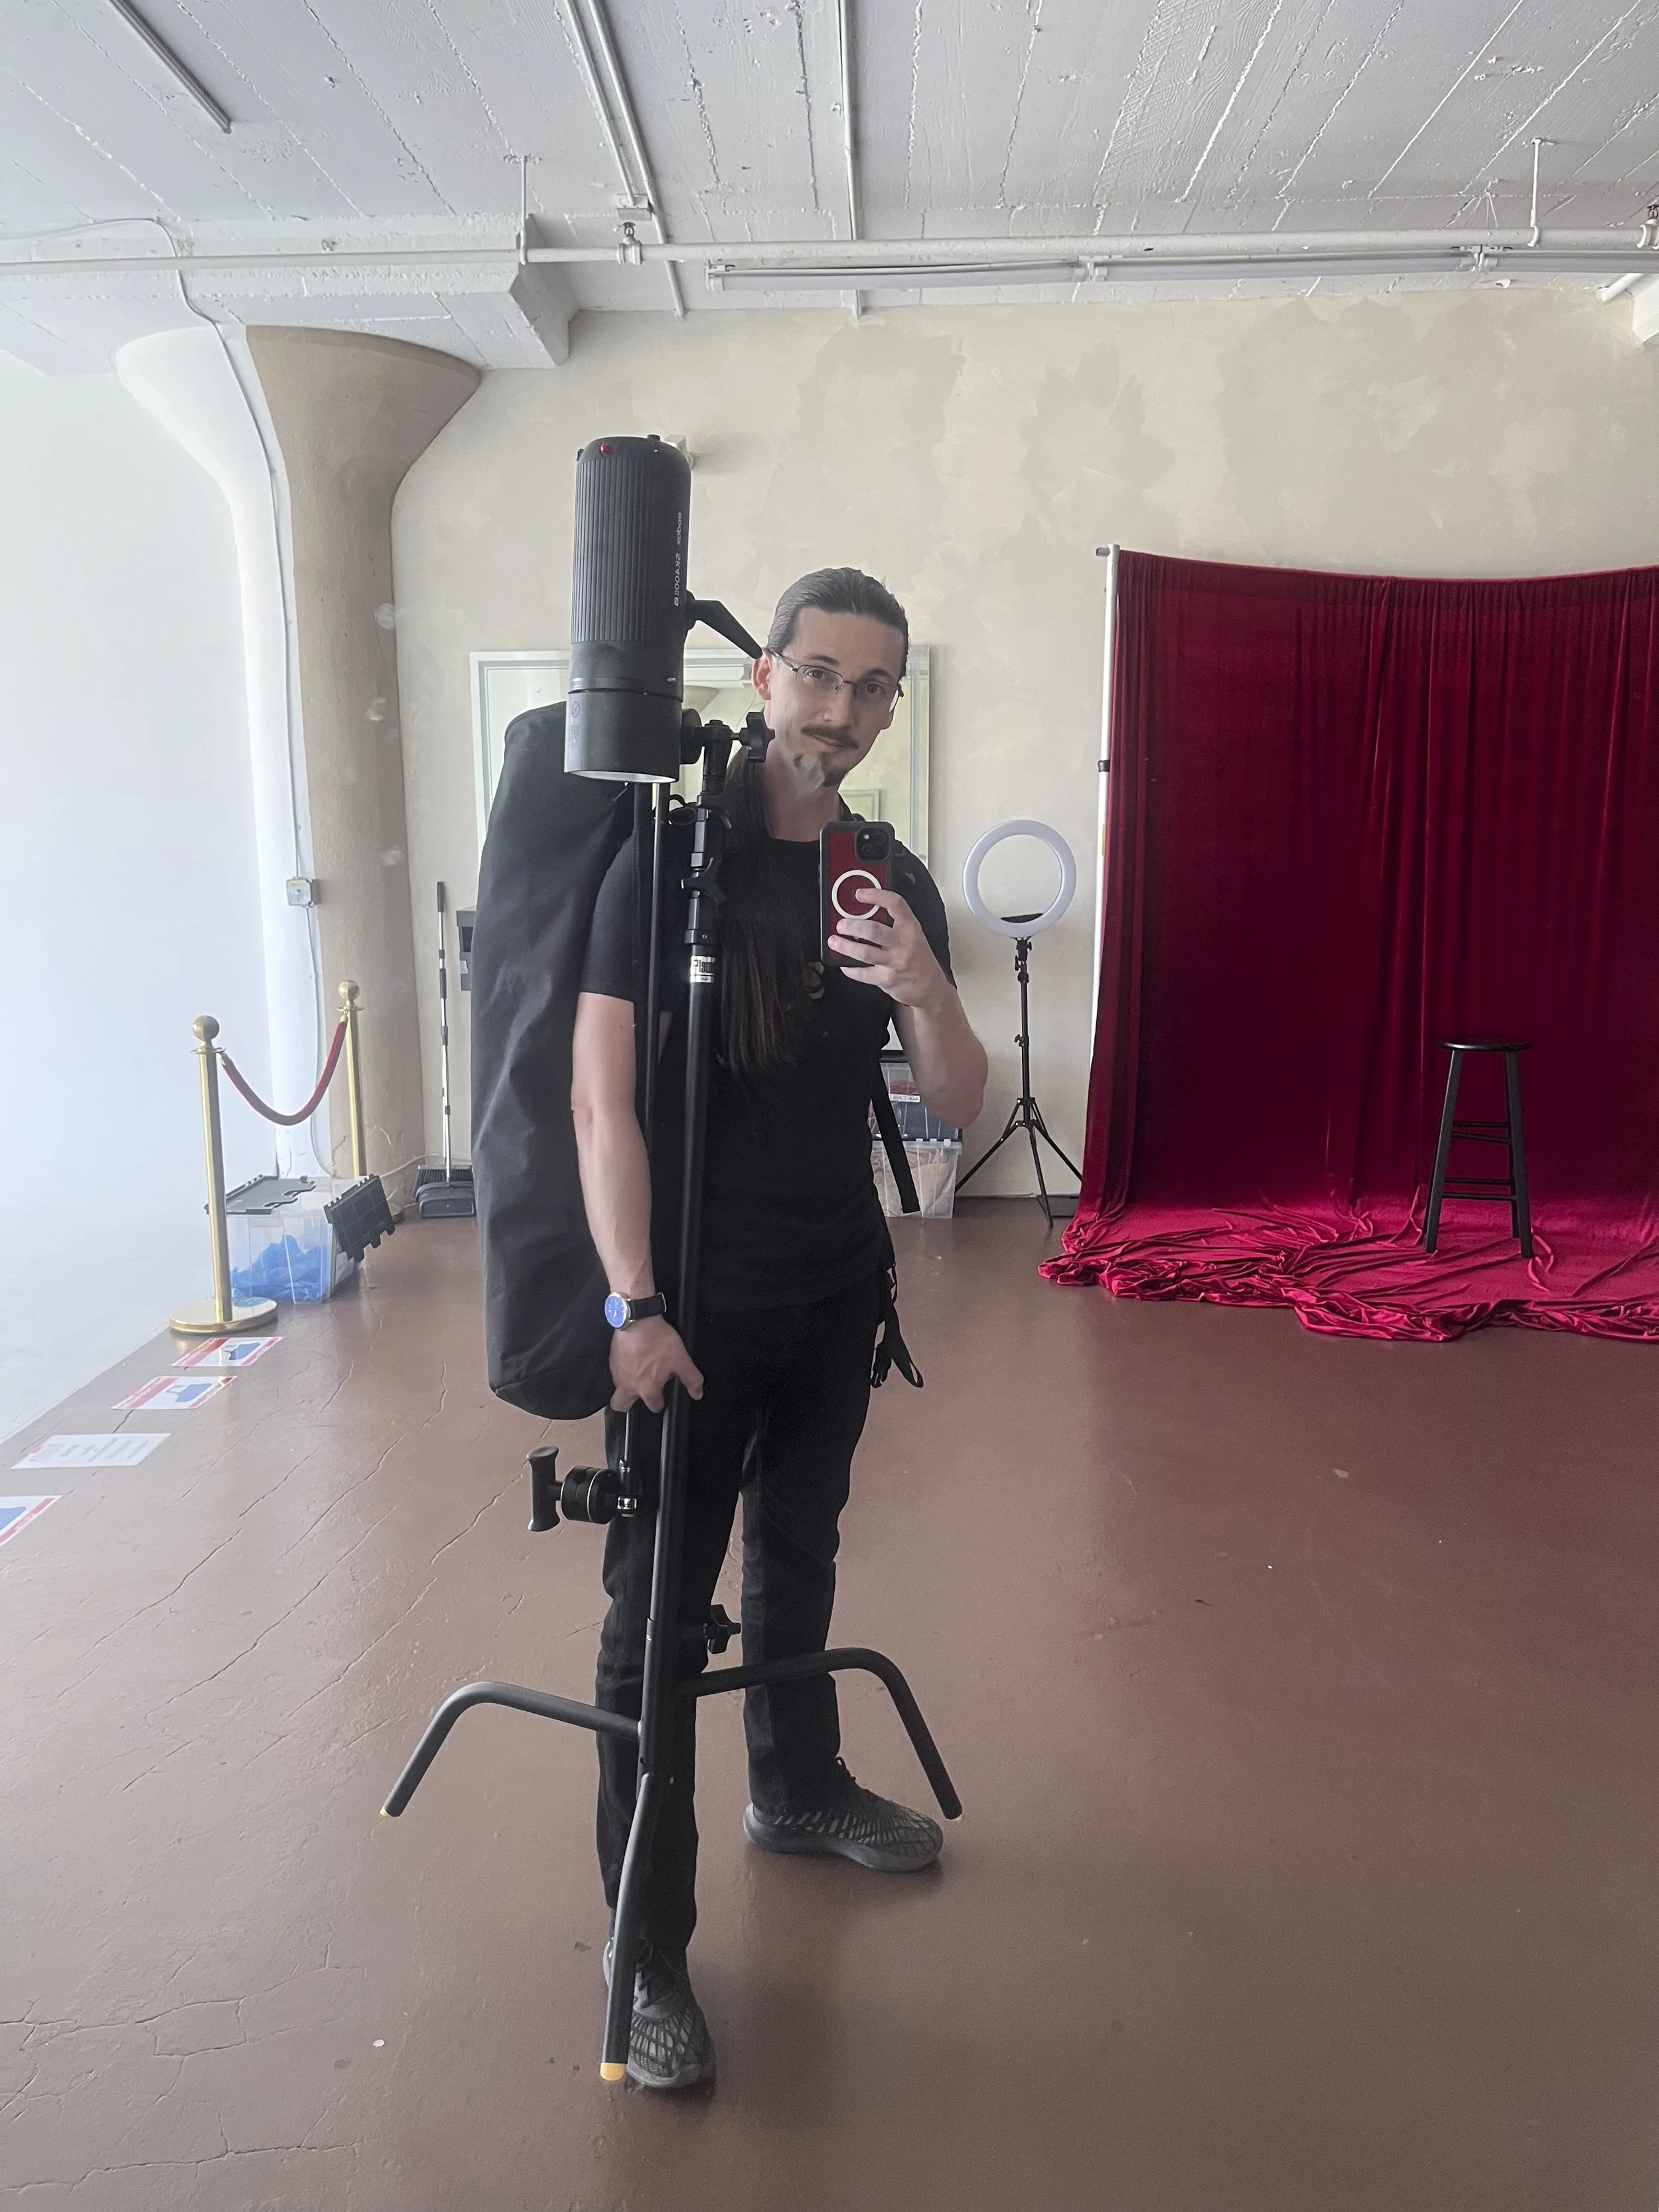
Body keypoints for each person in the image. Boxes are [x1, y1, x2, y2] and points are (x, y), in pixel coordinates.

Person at [570, 567, 987, 2090]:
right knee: (654, 1626)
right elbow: (598, 1099)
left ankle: (794, 1788)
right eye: (819, 676)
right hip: (687, 1312)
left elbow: (958, 1104)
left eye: (874, 689)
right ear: (763, 678)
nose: (844, 713)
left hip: (830, 1295)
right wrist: (631, 1303)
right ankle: (646, 1947)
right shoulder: (669, 861)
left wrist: (926, 986)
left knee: (798, 1551)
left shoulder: (886, 876)